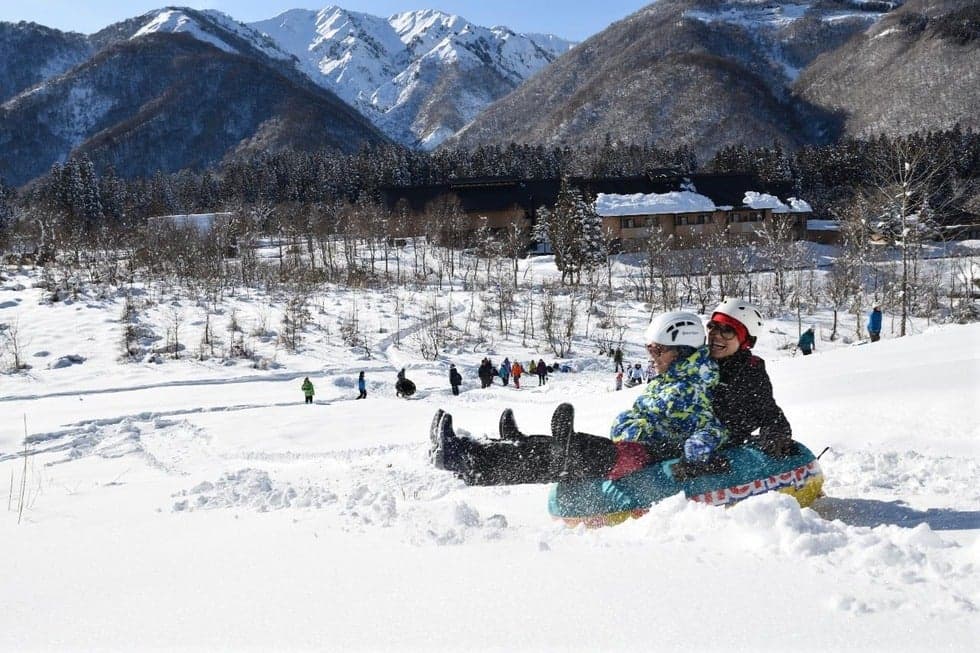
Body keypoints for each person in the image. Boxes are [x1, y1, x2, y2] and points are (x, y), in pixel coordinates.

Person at [430, 311, 728, 486]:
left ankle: (469, 460)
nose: (653, 359)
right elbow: (639, 415)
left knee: (571, 455)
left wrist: (696, 450)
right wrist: (630, 425)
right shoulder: (669, 382)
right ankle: (495, 447)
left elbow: (712, 426)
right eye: (651, 351)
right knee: (565, 450)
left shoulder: (694, 387)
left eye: (658, 351)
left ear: (683, 352)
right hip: (633, 448)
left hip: (652, 456)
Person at [705, 299, 796, 457]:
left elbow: (769, 413)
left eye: (727, 330)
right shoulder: (694, 362)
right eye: (713, 326)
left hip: (722, 447)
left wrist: (776, 435)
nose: (716, 335)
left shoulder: (750, 372)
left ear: (744, 340)